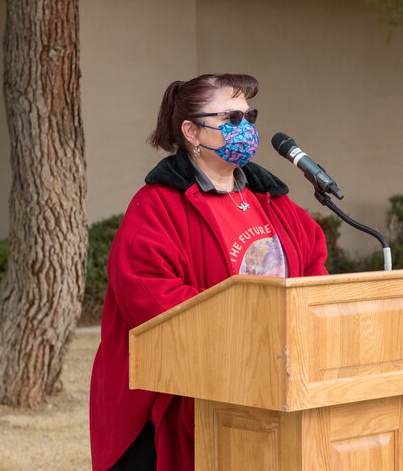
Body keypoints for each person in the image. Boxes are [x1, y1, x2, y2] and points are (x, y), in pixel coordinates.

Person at [89, 73, 328, 471]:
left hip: (266, 382)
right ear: (191, 130)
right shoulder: (156, 206)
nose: (245, 129)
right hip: (175, 395)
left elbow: (312, 265)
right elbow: (150, 297)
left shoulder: (270, 200)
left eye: (248, 116)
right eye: (231, 119)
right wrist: (247, 323)